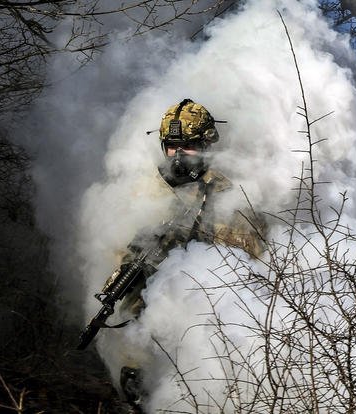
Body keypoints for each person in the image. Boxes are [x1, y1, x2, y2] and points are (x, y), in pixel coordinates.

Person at [99, 99, 265, 411]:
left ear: (207, 145)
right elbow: (122, 270)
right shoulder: (142, 191)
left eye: (187, 146)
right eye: (171, 146)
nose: (177, 155)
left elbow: (252, 260)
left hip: (216, 327)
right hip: (152, 329)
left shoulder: (230, 194)